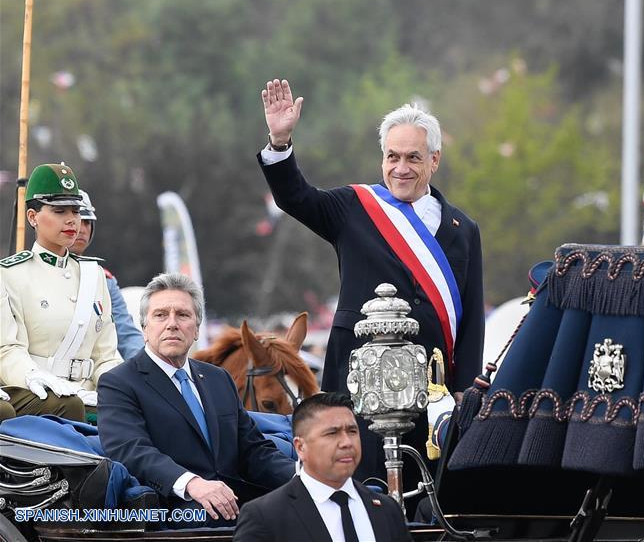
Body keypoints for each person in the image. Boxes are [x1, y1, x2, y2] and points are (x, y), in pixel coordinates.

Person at [257, 79, 485, 482]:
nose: (401, 168)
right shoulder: (354, 207)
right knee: (360, 488)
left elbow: (470, 318)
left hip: (430, 393)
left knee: (426, 493)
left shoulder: (462, 228)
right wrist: (280, 142)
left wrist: (464, 389)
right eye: (392, 156)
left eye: (413, 158)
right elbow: (296, 198)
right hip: (359, 388)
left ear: (434, 160)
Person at [97, 272, 295, 527]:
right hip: (172, 508)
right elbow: (133, 451)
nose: (172, 324)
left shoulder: (218, 379)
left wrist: (306, 476)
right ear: (144, 328)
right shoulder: (119, 382)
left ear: (197, 329)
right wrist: (192, 484)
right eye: (160, 315)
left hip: (235, 501)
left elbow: (253, 450)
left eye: (182, 314)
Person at [1, 163, 120, 422]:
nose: (72, 220)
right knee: (69, 407)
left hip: (90, 396)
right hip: (38, 394)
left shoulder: (93, 275)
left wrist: (116, 390)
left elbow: (106, 355)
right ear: (32, 217)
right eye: (59, 211)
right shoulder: (10, 274)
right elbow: (7, 350)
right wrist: (33, 376)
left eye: (76, 211)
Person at [234, 392, 412, 542]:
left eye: (352, 431)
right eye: (332, 433)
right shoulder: (265, 517)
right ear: (300, 447)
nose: (346, 443)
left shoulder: (387, 510)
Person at [70, 189, 144, 360]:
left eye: (87, 222)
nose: (82, 229)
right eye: (78, 220)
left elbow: (126, 333)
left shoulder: (103, 279)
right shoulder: (23, 272)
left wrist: (146, 369)